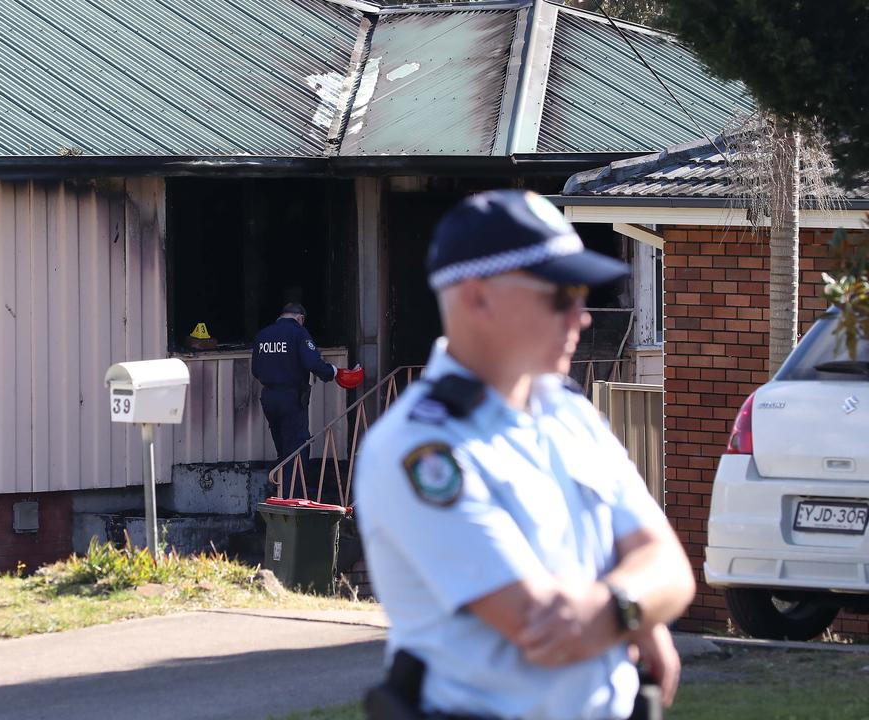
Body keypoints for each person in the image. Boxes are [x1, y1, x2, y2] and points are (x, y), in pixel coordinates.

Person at [354, 190, 695, 720]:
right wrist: (638, 612)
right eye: (560, 296)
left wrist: (619, 607)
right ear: (477, 298)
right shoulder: (421, 449)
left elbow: (672, 568)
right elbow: (539, 625)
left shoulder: (569, 414)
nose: (581, 318)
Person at [252, 303, 359, 499]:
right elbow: (312, 362)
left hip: (269, 397)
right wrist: (333, 372)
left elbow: (256, 370)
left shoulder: (262, 335)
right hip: (291, 398)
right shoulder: (298, 333)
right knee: (298, 447)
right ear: (300, 318)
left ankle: (284, 491)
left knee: (283, 448)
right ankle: (295, 497)